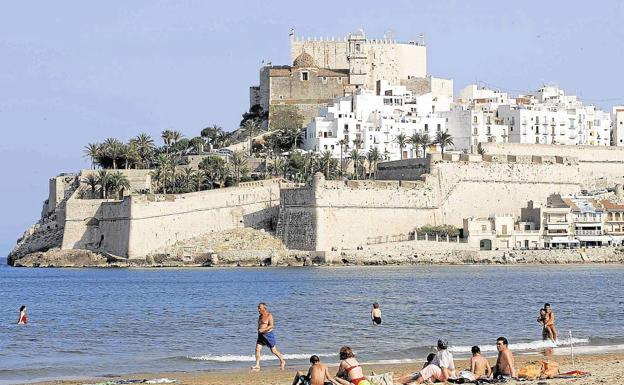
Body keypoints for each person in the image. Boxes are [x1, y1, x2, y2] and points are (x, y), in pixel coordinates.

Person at [252, 303, 286, 370]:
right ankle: (257, 365)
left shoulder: (269, 315)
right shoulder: (260, 316)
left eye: (260, 308)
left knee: (273, 350)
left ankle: (282, 361)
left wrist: (263, 329)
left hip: (268, 335)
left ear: (264, 308)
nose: (258, 310)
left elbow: (271, 325)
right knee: (257, 349)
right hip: (261, 335)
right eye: (258, 308)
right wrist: (259, 330)